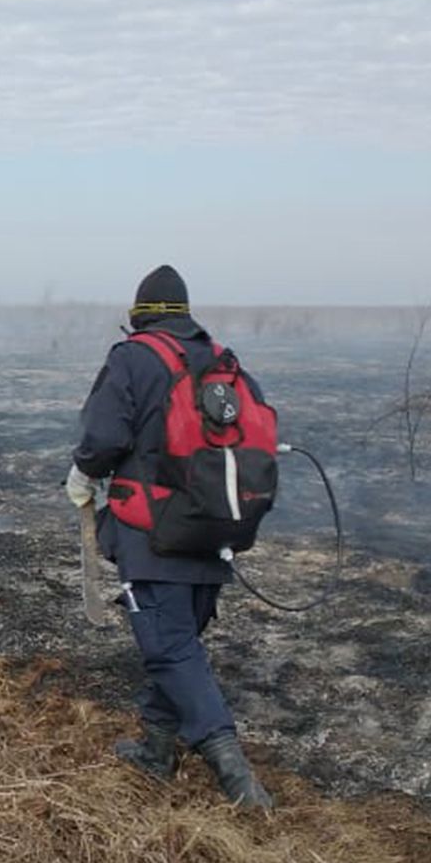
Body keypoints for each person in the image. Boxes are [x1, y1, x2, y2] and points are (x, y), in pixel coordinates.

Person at [65, 264, 274, 809]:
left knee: (169, 647)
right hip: (214, 530)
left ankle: (235, 775)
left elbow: (102, 436)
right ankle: (158, 748)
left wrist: (85, 472)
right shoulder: (222, 362)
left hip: (153, 533)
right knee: (178, 644)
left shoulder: (133, 357)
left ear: (139, 315)